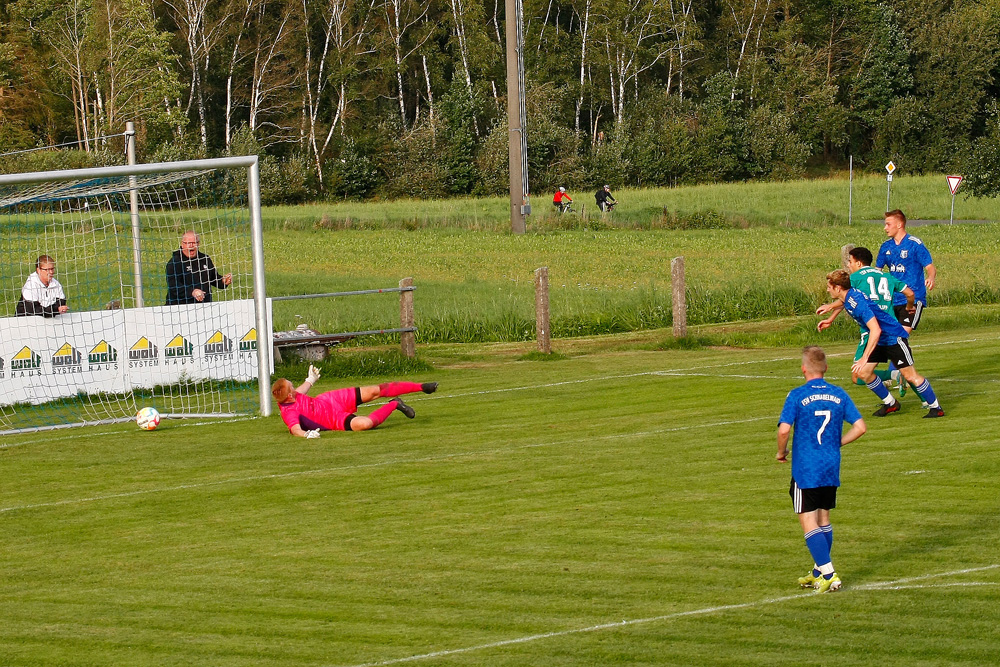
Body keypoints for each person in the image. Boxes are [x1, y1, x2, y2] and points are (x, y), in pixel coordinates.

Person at [777, 346, 867, 593]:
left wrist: (780, 452)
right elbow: (860, 427)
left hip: (806, 467)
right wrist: (838, 442)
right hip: (830, 465)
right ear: (825, 368)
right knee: (823, 518)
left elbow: (784, 430)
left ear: (804, 368)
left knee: (808, 519)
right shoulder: (839, 394)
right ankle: (818, 570)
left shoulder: (796, 395)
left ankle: (829, 573)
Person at [824, 269, 944, 418]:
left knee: (911, 376)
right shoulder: (849, 296)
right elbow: (843, 301)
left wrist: (864, 357)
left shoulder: (857, 302)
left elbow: (875, 330)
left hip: (893, 338)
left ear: (838, 288)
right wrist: (830, 310)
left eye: (829, 286)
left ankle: (936, 408)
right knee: (863, 373)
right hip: (881, 340)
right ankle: (891, 403)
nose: (828, 289)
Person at [816, 246, 915, 396]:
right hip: (890, 328)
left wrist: (830, 310)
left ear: (859, 263)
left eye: (850, 261)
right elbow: (909, 293)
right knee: (903, 370)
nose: (848, 265)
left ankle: (893, 388)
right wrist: (909, 307)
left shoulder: (855, 279)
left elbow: (846, 299)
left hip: (872, 331)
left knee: (858, 376)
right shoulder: (884, 275)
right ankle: (920, 399)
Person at [271, 364, 439, 437]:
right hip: (334, 420)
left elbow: (301, 391)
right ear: (289, 396)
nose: (295, 387)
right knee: (365, 424)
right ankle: (395, 404)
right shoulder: (289, 413)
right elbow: (294, 429)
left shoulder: (291, 397)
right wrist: (306, 435)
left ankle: (422, 386)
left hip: (331, 399)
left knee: (375, 390)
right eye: (292, 387)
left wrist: (310, 380)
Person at [876, 209, 935, 333]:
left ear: (899, 225)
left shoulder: (914, 244)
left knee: (900, 337)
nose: (885, 228)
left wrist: (931, 277)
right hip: (892, 299)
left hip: (913, 298)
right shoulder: (885, 247)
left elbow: (930, 266)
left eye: (888, 224)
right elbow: (877, 272)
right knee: (889, 339)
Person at [165, 230, 233, 305]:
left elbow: (214, 278)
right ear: (182, 244)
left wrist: (223, 281)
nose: (191, 246)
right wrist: (192, 292)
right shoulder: (175, 262)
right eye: (188, 243)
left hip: (204, 306)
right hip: (180, 307)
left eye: (194, 243)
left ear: (198, 244)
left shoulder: (204, 259)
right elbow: (173, 286)